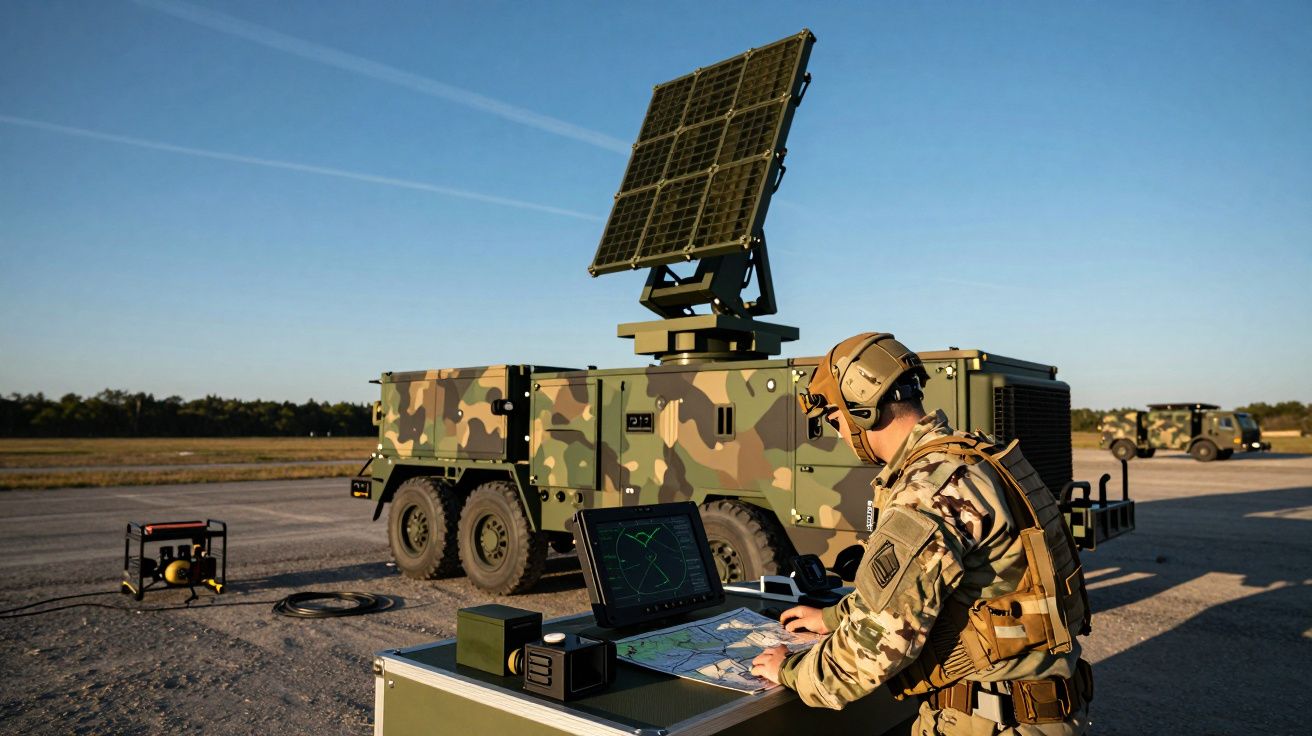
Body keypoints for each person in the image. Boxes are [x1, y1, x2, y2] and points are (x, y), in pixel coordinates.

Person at [750, 332, 1093, 735]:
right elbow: (923, 589)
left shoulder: (928, 490)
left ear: (862, 410)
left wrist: (790, 669)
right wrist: (833, 616)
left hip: (991, 720)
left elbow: (873, 650)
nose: (839, 434)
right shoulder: (977, 456)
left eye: (835, 419)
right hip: (1040, 707)